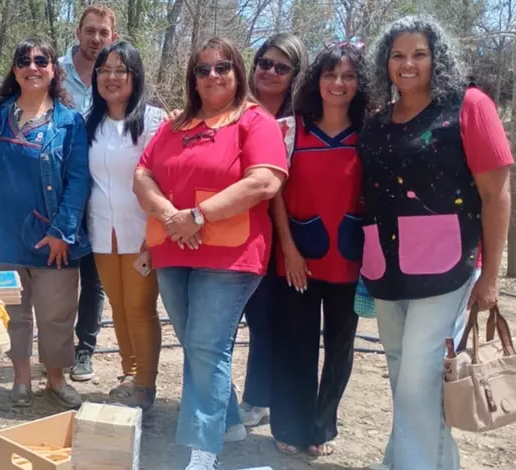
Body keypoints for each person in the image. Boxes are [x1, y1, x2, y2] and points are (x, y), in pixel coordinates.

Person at [360, 17, 512, 470]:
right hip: (386, 267)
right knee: (401, 373)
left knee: (419, 379)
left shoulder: (468, 106)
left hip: (447, 266)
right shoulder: (377, 121)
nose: (407, 64)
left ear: (437, 58)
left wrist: (490, 277)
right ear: (385, 62)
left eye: (419, 54)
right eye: (397, 55)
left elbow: (497, 195)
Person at [133, 37, 287, 470]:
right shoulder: (175, 125)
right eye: (203, 69)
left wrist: (198, 217)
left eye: (223, 67)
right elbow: (142, 174)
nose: (213, 76)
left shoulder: (255, 121)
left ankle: (203, 452)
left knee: (206, 346)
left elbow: (264, 181)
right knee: (197, 344)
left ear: (237, 72)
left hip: (229, 256)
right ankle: (230, 422)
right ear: (193, 78)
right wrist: (170, 215)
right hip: (172, 247)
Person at [269, 42, 367, 456]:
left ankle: (321, 429)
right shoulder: (290, 130)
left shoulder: (370, 133)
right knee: (296, 344)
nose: (338, 83)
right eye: (330, 74)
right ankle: (289, 426)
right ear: (317, 80)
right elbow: (275, 192)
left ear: (360, 84)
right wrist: (288, 248)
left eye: (348, 76)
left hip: (350, 259)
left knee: (340, 349)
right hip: (298, 258)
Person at [0, 37, 90, 409]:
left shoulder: (69, 122)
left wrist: (62, 231)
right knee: (14, 314)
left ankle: (56, 380)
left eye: (41, 60)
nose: (32, 67)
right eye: (24, 60)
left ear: (53, 69)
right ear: (14, 70)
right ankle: (20, 379)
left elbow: (79, 180)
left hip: (52, 238)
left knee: (56, 315)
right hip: (3, 235)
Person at [85, 41, 164, 411]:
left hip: (142, 232)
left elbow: (163, 178)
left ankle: (145, 383)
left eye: (121, 70)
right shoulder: (89, 122)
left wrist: (156, 230)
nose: (112, 78)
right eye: (104, 70)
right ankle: (129, 373)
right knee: (117, 306)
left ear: (135, 76)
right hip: (103, 232)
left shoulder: (155, 122)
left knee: (140, 307)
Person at [236, 32, 309, 428]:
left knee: (275, 320)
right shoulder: (236, 110)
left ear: (296, 74)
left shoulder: (304, 119)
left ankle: (261, 398)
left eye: (282, 67)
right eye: (265, 63)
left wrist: (290, 243)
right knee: (252, 315)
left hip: (293, 230)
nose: (270, 72)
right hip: (243, 227)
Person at [59, 6, 118, 382]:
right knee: (62, 275)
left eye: (103, 32)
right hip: (59, 188)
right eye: (90, 31)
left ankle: (86, 348)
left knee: (93, 279)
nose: (96, 38)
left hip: (101, 190)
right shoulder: (54, 70)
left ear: (113, 36)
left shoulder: (116, 74)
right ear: (78, 32)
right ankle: (58, 346)